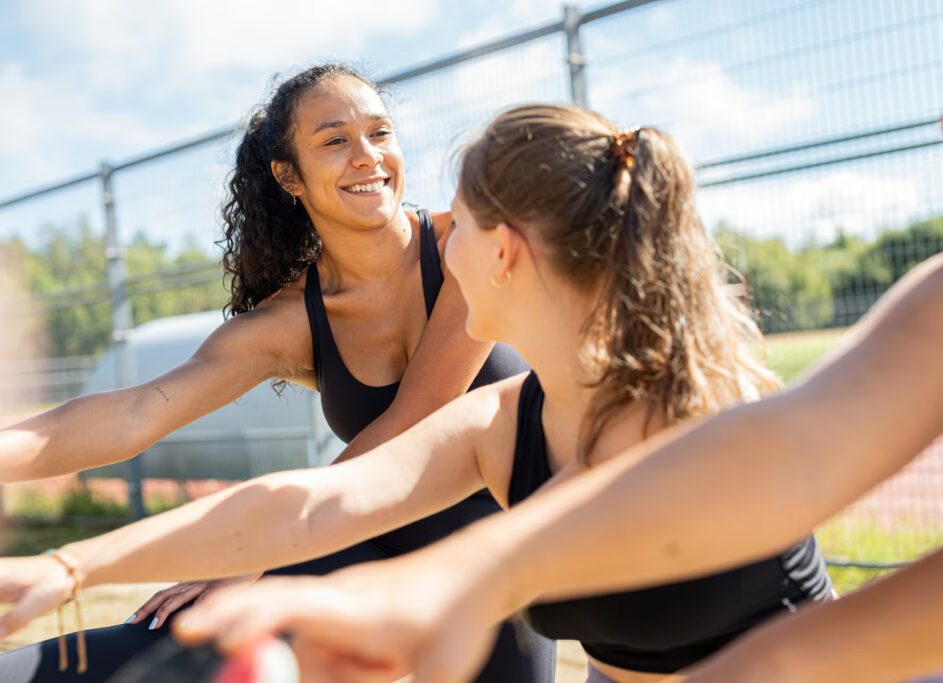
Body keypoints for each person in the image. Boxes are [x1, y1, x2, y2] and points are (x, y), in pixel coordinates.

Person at [175, 1, 943, 681]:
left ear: (506, 249)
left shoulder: (677, 403)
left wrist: (448, 583)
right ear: (287, 176)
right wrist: (80, 568)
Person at [0, 104, 833, 683]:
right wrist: (71, 564)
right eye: (336, 140)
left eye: (458, 222)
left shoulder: (692, 419)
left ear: (501, 251)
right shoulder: (506, 424)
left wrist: (305, 596)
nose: (437, 233)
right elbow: (313, 498)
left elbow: (508, 552)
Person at [0, 63, 554, 682]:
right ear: (288, 177)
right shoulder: (291, 319)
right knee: (182, 643)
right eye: (335, 140)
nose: (368, 156)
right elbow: (134, 412)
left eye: (381, 132)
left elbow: (415, 418)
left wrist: (261, 547)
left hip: (504, 558)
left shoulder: (470, 246)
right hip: (364, 544)